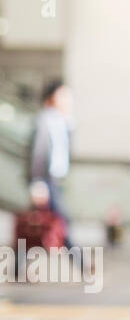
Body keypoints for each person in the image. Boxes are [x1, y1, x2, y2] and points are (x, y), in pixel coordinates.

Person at [28, 78, 75, 248]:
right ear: (52, 97)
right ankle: (83, 264)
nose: (68, 100)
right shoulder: (44, 121)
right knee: (61, 222)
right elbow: (38, 153)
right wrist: (37, 181)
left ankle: (17, 266)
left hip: (55, 179)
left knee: (36, 225)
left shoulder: (63, 121)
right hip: (46, 180)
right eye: (63, 95)